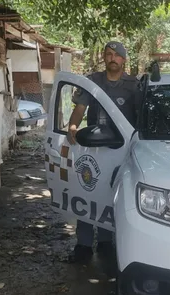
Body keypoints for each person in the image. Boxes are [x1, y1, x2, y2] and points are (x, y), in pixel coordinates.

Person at [67, 41, 142, 263]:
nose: (112, 58)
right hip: (93, 148)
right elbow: (79, 109)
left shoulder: (134, 85)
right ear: (104, 58)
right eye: (108, 54)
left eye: (117, 55)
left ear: (124, 59)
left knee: (113, 196)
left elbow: (140, 118)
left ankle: (106, 243)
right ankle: (83, 245)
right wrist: (73, 126)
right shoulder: (92, 82)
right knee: (88, 191)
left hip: (121, 150)